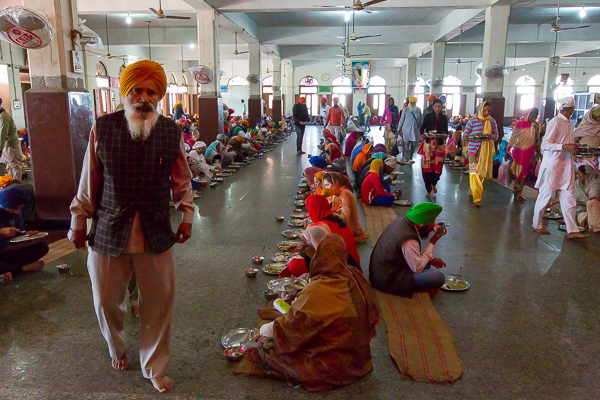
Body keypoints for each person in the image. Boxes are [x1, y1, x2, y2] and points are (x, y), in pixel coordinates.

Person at [68, 60, 195, 393]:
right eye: (137, 90)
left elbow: (182, 179)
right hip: (109, 231)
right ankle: (117, 347)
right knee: (105, 303)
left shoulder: (170, 131)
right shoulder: (104, 127)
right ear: (124, 93)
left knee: (159, 303)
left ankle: (154, 366)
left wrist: (187, 216)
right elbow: (88, 180)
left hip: (155, 232)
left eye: (151, 91)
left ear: (159, 96)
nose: (144, 97)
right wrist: (78, 222)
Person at [249, 234, 379, 392]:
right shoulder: (355, 276)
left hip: (329, 367)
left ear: (319, 255)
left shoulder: (318, 290)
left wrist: (261, 332)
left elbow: (289, 332)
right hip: (359, 360)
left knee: (265, 345)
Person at [532, 97, 589, 239]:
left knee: (569, 196)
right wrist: (564, 146)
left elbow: (568, 143)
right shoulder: (555, 122)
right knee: (545, 195)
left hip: (566, 165)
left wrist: (574, 149)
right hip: (552, 165)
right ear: (571, 109)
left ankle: (572, 230)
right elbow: (545, 145)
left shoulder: (569, 123)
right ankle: (537, 225)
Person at [369, 203, 447, 297]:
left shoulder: (400, 222)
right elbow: (417, 268)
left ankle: (422, 285)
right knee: (439, 277)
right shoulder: (409, 238)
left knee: (426, 263)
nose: (434, 225)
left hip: (381, 273)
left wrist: (430, 259)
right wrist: (433, 241)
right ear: (423, 223)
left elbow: (409, 253)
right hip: (388, 280)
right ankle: (417, 288)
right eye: (432, 221)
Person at [0, 187, 48, 281]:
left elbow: (19, 232)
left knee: (42, 247)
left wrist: (26, 235)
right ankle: (25, 268)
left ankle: (9, 269)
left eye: (20, 208)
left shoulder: (16, 214)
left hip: (3, 253)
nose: (17, 211)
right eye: (15, 208)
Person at [305, 194, 360, 267]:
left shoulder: (316, 227)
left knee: (295, 265)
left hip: (341, 271)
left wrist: (310, 224)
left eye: (309, 210)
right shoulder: (338, 220)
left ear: (313, 210)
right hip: (355, 269)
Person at [463, 101, 498, 207]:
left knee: (481, 173)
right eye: (485, 110)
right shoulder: (472, 121)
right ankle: (477, 197)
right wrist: (469, 137)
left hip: (485, 152)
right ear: (480, 109)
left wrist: (491, 136)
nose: (486, 112)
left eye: (489, 111)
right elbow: (465, 135)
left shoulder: (492, 122)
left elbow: (496, 135)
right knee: (473, 172)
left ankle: (473, 190)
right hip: (473, 151)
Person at [506, 108, 541, 202]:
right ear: (527, 115)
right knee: (520, 173)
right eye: (532, 116)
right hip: (520, 154)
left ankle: (518, 190)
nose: (533, 119)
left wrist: (539, 152)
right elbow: (513, 139)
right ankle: (518, 192)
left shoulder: (536, 126)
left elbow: (537, 140)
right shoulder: (519, 125)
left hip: (531, 154)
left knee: (529, 174)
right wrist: (507, 152)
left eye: (535, 117)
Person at [322, 172, 368, 242]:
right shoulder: (339, 192)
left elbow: (345, 217)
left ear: (336, 182)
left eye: (327, 185)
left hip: (347, 227)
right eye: (324, 186)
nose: (326, 188)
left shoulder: (344, 194)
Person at [0, 98, 27, 180]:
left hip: (10, 147)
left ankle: (16, 187)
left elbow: (2, 134)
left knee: (14, 167)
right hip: (7, 146)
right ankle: (11, 186)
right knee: (9, 167)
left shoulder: (4, 117)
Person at [575, 164, 600, 232]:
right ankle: (588, 223)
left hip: (595, 210)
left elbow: (593, 200)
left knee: (591, 203)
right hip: (585, 210)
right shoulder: (580, 183)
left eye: (579, 174)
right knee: (581, 216)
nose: (577, 176)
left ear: (586, 174)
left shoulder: (595, 185)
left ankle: (596, 227)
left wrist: (577, 202)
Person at [398, 97, 422, 162]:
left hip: (415, 131)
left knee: (414, 144)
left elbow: (420, 121)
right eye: (411, 103)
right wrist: (399, 129)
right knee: (405, 145)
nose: (412, 104)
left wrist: (421, 130)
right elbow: (401, 120)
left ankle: (410, 155)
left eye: (414, 103)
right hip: (406, 131)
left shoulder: (418, 110)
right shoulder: (405, 110)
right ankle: (407, 158)